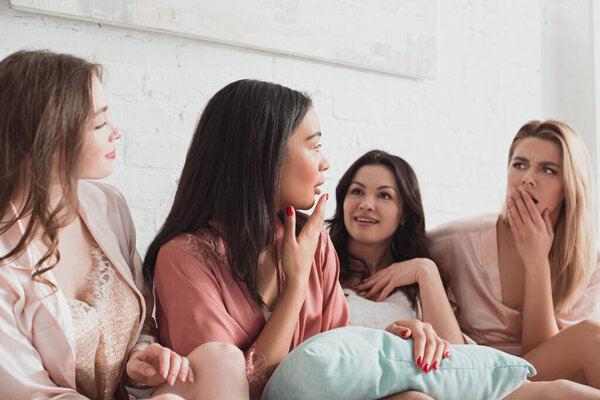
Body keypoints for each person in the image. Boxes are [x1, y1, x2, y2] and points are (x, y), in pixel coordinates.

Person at [0, 50, 248, 400]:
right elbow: (28, 393)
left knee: (220, 358)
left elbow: (142, 324)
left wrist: (139, 359)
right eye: (99, 123)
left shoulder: (108, 205)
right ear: (48, 137)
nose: (116, 132)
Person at [330, 149, 600, 399]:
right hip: (389, 388)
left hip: (455, 383)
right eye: (356, 192)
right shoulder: (324, 269)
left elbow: (459, 360)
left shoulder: (422, 273)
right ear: (342, 200)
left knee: (566, 389)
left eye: (384, 195)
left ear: (403, 214)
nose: (366, 204)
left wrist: (425, 271)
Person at [143, 79, 352, 399]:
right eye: (314, 146)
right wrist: (295, 286)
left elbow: (342, 363)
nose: (325, 162)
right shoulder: (183, 258)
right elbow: (226, 387)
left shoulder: (315, 243)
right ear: (265, 155)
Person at [428, 120, 600, 389]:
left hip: (540, 382)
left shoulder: (590, 262)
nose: (527, 178)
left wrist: (536, 262)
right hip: (478, 379)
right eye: (519, 165)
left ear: (570, 185)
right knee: (592, 337)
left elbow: (553, 358)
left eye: (547, 169)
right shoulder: (456, 241)